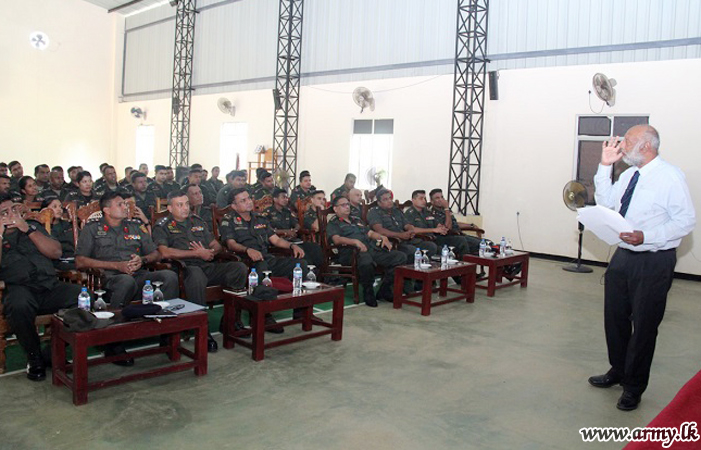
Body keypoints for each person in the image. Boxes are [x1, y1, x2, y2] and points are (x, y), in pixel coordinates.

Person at [588, 125, 696, 411]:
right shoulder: (627, 175)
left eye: (629, 141)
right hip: (624, 256)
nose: (622, 146)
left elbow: (685, 221)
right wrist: (604, 166)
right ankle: (619, 370)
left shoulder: (670, 177)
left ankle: (634, 386)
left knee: (645, 325)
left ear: (646, 146)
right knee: (615, 317)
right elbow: (607, 203)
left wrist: (647, 236)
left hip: (654, 259)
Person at [75, 191, 179, 363]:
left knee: (169, 276)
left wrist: (142, 260)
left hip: (138, 276)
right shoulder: (92, 229)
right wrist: (117, 266)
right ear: (107, 210)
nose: (126, 207)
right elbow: (80, 261)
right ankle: (113, 343)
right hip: (108, 280)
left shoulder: (134, 227)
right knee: (125, 280)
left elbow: (156, 254)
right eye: (120, 204)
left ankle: (167, 336)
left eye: (125, 203)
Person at [0, 193, 83, 381]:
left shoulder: (33, 226)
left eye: (13, 209)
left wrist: (27, 230)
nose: (11, 215)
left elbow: (56, 252)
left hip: (48, 285)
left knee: (85, 298)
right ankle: (34, 357)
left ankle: (51, 353)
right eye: (4, 212)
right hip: (20, 289)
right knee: (18, 305)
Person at [153, 190, 248, 352]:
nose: (185, 208)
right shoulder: (162, 226)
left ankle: (230, 320)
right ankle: (202, 329)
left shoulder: (197, 221)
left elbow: (216, 244)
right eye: (180, 205)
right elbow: (164, 252)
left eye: (187, 204)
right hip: (183, 270)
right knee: (196, 274)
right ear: (169, 208)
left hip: (207, 265)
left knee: (238, 268)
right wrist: (196, 253)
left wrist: (211, 252)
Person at [220, 188, 309, 332]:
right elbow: (230, 244)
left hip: (266, 258)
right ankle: (263, 316)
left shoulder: (260, 218)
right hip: (244, 261)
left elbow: (276, 240)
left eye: (249, 198)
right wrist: (247, 250)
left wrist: (292, 246)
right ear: (234, 206)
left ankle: (300, 312)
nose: (249, 202)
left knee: (300, 265)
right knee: (260, 267)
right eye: (243, 200)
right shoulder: (228, 220)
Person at [326, 196, 405, 307]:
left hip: (370, 249)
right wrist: (354, 242)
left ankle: (384, 289)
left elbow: (370, 233)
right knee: (366, 261)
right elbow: (336, 239)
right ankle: (368, 291)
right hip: (351, 253)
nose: (347, 207)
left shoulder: (356, 220)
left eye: (348, 204)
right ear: (335, 209)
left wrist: (382, 237)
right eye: (343, 205)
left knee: (399, 257)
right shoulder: (334, 223)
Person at [262, 187, 324, 269]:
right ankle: (307, 271)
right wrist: (285, 232)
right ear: (275, 199)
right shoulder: (268, 212)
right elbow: (267, 230)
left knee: (314, 247)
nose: (286, 199)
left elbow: (296, 224)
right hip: (278, 240)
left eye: (286, 197)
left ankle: (319, 272)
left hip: (292, 240)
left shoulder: (287, 211)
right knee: (302, 251)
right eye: (283, 197)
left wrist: (295, 230)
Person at [42, 197, 75, 270]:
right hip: (56, 261)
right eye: (54, 207)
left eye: (60, 207)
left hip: (72, 257)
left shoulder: (68, 225)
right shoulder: (42, 227)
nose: (59, 209)